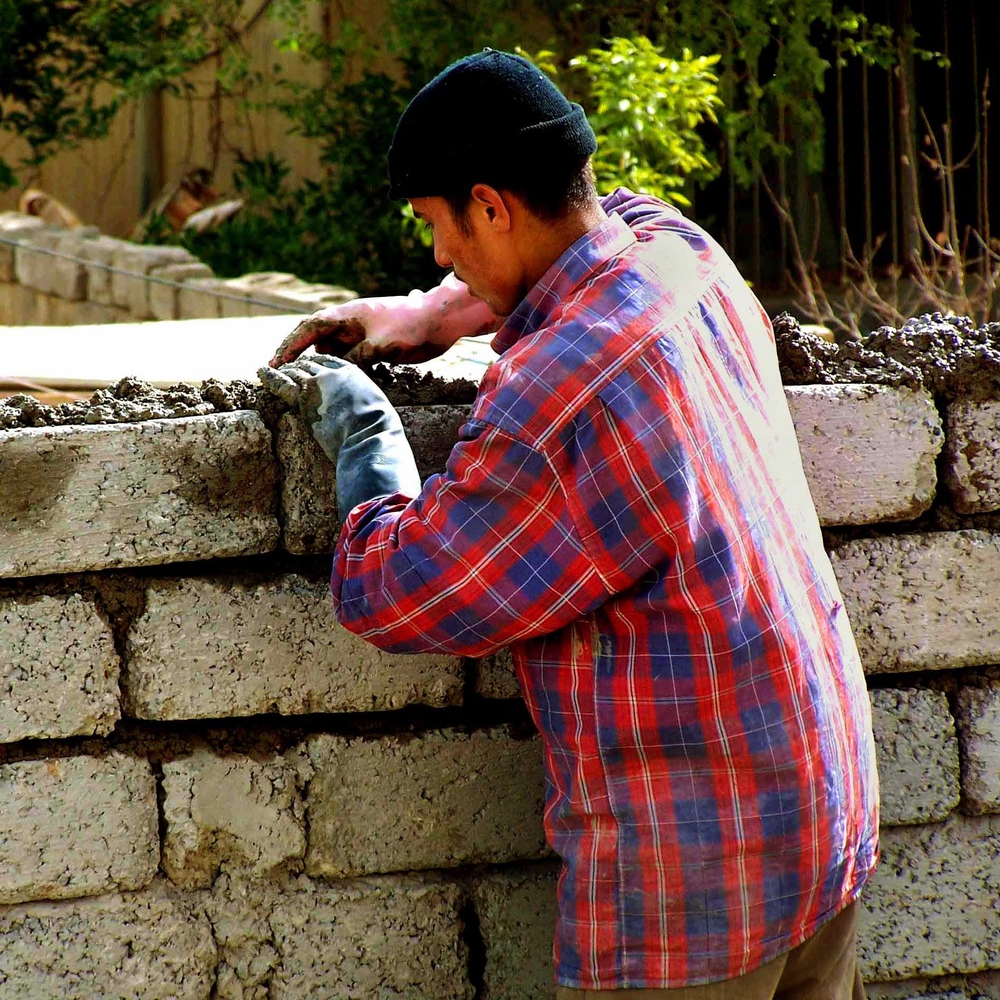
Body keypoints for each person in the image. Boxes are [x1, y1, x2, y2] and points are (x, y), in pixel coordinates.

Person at [260, 49, 879, 999]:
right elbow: (617, 215)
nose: (437, 255)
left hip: (698, 888)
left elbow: (397, 586)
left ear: (492, 205)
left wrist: (364, 431)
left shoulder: (557, 393)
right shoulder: (686, 259)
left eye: (439, 228)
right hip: (820, 814)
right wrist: (434, 314)